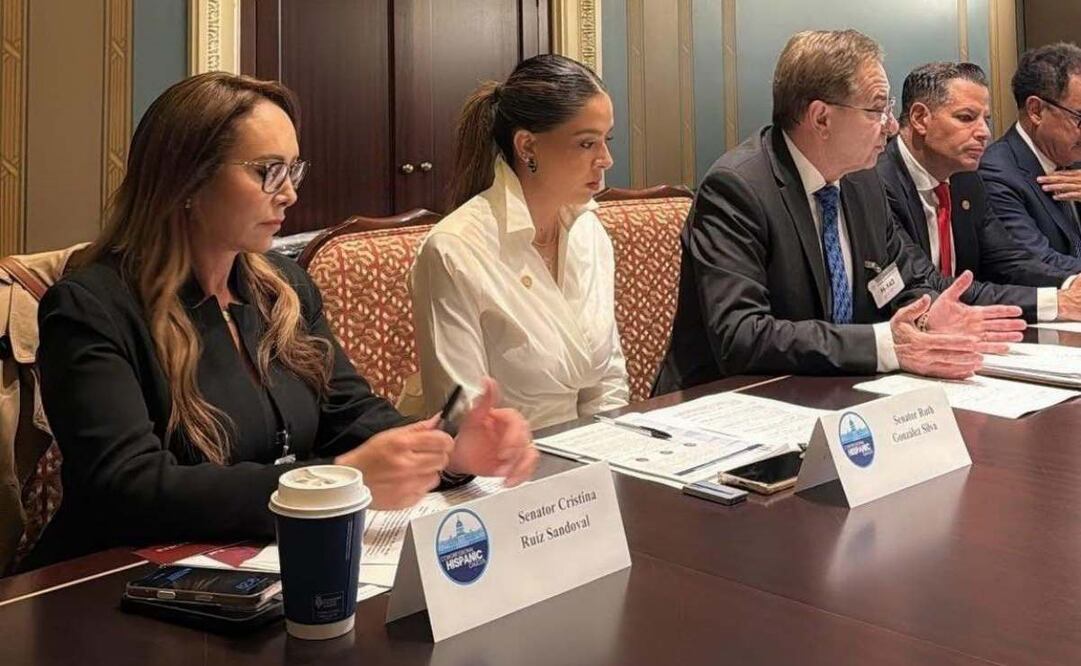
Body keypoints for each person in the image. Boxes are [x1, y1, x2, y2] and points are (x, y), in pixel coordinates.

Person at [25, 73, 537, 569]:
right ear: (186, 179)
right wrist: (335, 481)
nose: (290, 193)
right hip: (108, 586)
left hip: (252, 567)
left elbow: (351, 415)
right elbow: (128, 487)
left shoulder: (283, 286)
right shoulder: (90, 308)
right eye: (268, 171)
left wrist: (450, 450)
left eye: (294, 170)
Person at [653, 30, 1025, 395]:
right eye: (877, 109)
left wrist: (927, 318)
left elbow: (900, 282)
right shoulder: (738, 188)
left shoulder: (862, 182)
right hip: (730, 405)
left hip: (835, 392)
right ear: (821, 118)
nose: (892, 126)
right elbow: (742, 335)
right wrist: (885, 346)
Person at [410, 54, 629, 430]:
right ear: (527, 147)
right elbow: (464, 422)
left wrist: (608, 461)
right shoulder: (453, 250)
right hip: (500, 474)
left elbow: (607, 382)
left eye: (606, 140)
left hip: (590, 459)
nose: (606, 159)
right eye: (586, 143)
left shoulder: (590, 231)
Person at [877, 61, 1081, 320]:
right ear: (920, 118)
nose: (984, 133)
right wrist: (1056, 302)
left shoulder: (966, 180)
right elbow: (927, 283)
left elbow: (1009, 261)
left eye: (986, 120)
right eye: (966, 118)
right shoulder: (878, 183)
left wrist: (1071, 283)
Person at [979, 43, 1081, 274]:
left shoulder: (1072, 155)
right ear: (1036, 111)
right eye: (1079, 118)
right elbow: (1037, 262)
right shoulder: (996, 174)